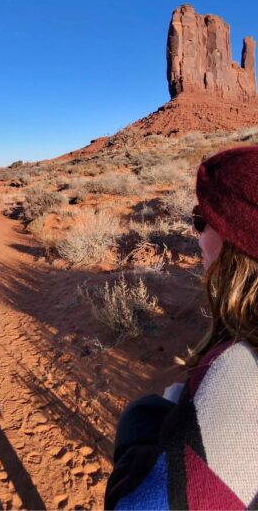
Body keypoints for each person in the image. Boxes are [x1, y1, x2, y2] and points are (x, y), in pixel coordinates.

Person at [106, 146, 258, 509]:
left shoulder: (240, 369)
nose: (197, 235)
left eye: (201, 219)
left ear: (237, 237)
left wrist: (142, 424)